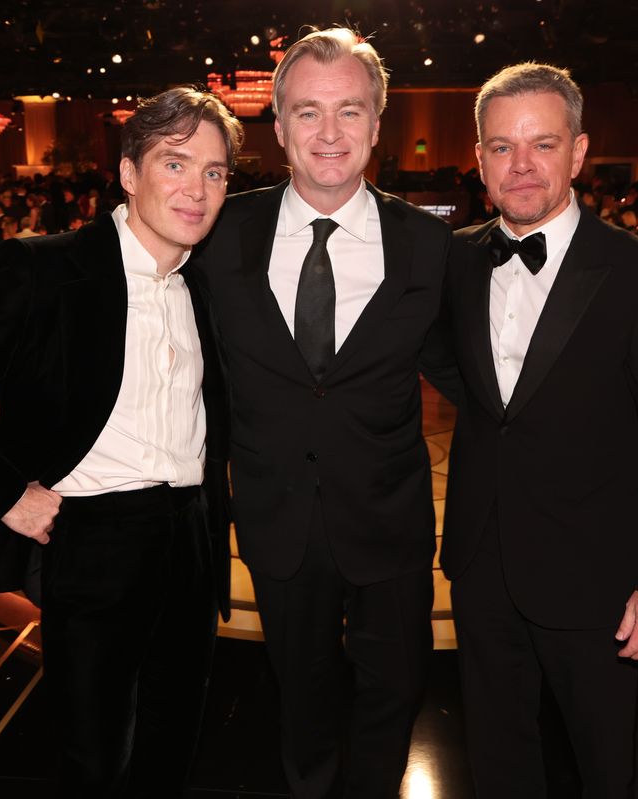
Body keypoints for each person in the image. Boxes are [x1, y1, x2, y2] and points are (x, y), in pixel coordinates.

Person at [0, 87, 240, 796]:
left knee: (174, 746)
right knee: (95, 759)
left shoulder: (198, 281)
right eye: (176, 165)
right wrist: (2, 495)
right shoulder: (47, 269)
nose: (198, 189)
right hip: (94, 541)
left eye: (215, 171)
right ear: (130, 173)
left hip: (190, 542)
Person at [433, 62, 638, 797]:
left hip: (598, 581)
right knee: (497, 761)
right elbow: (472, 388)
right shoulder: (453, 259)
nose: (521, 164)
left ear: (580, 152)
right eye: (501, 147)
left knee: (604, 768)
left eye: (543, 144)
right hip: (480, 561)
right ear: (479, 160)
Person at [190, 28, 452, 798]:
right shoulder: (219, 233)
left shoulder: (431, 245)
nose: (329, 134)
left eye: (349, 111)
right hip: (277, 524)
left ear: (378, 123)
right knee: (299, 700)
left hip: (392, 522)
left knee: (395, 694)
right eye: (308, 112)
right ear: (279, 127)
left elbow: (480, 372)